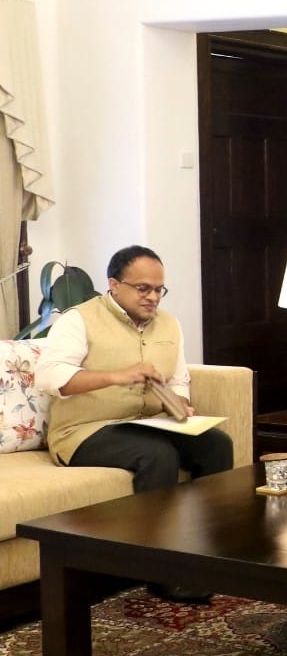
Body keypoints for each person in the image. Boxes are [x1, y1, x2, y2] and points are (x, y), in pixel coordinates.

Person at [36, 245, 235, 605]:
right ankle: (160, 571)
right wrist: (116, 376)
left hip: (147, 423)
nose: (153, 297)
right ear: (114, 284)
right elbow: (50, 377)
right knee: (156, 455)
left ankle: (210, 556)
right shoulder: (79, 320)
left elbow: (178, 378)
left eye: (159, 289)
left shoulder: (169, 323)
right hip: (84, 430)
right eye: (143, 288)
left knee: (217, 443)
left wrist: (180, 402)